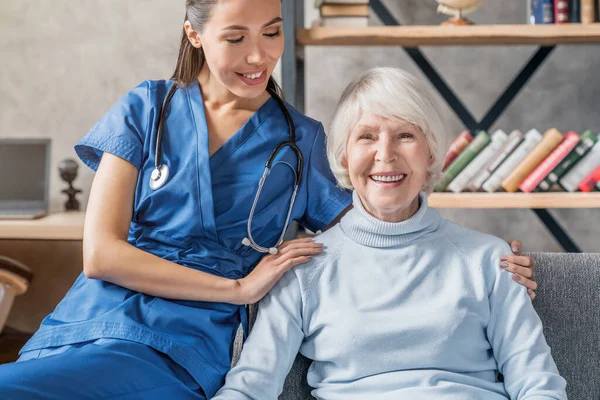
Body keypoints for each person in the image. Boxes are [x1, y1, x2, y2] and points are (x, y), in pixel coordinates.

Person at [0, 1, 536, 399]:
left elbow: (376, 226)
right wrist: (238, 287)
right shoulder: (147, 108)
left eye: (273, 32)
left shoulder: (298, 139)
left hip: (188, 339)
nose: (259, 56)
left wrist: (486, 258)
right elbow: (101, 255)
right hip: (92, 320)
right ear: (194, 35)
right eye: (235, 38)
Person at [213, 68, 566, 400]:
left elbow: (538, 384)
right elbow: (250, 386)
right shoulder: (303, 268)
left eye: (406, 136)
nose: (386, 154)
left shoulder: (492, 260)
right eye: (366, 136)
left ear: (429, 153)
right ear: (343, 155)